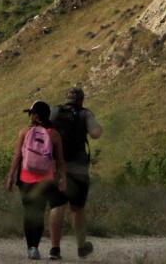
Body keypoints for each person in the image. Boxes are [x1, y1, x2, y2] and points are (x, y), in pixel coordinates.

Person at [6, 100, 67, 261]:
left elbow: (17, 156)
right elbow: (60, 160)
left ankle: (31, 247)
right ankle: (36, 247)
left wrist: (11, 175)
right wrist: (63, 179)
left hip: (25, 179)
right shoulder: (54, 134)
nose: (29, 116)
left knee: (29, 212)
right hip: (45, 179)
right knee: (39, 213)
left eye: (30, 113)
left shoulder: (24, 132)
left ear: (35, 115)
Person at [49, 86, 103, 259]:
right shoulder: (85, 114)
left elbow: (43, 130)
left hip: (57, 165)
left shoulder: (55, 111)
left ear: (66, 99)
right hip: (79, 168)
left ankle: (55, 250)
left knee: (57, 206)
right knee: (77, 208)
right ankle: (81, 247)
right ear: (81, 100)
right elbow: (95, 133)